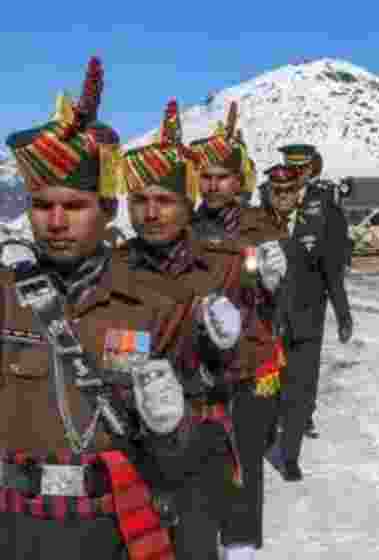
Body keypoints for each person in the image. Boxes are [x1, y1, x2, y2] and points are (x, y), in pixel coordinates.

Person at [0, 56, 200, 560]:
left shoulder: (157, 305)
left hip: (109, 528)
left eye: (75, 206)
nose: (57, 221)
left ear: (108, 210)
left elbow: (182, 460)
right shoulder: (5, 296)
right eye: (44, 206)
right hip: (11, 526)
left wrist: (171, 427)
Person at [117, 98, 265, 560]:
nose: (151, 213)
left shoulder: (220, 268)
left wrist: (226, 343)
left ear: (188, 204)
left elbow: (254, 357)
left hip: (200, 438)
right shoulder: (112, 270)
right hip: (131, 443)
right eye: (139, 201)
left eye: (165, 200)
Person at [188, 102, 287, 559]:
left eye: (222, 176)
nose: (213, 185)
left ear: (239, 180)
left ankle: (242, 547)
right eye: (205, 177)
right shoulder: (184, 228)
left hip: (251, 363)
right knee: (199, 464)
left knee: (246, 460)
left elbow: (288, 298)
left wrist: (275, 284)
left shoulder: (260, 226)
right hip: (198, 366)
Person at [266, 158, 353, 482]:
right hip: (268, 319)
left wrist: (343, 314)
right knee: (270, 387)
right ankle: (267, 434)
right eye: (278, 191)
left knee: (300, 390)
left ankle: (289, 455)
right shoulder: (259, 216)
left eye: (289, 190)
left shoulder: (321, 214)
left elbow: (332, 270)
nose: (283, 196)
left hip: (307, 316)